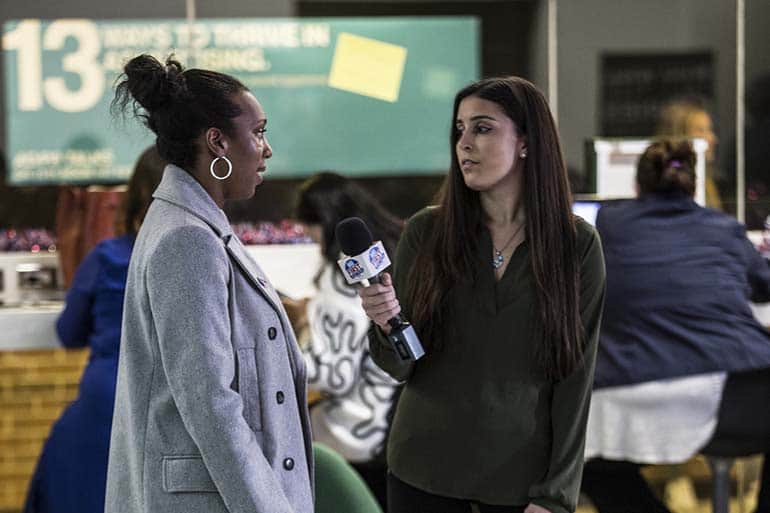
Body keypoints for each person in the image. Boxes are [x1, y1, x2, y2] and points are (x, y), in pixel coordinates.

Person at [358, 76, 607, 513]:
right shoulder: (427, 231)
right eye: (460, 130)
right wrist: (385, 324)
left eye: (483, 128)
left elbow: (575, 378)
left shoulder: (576, 245)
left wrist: (556, 494)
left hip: (520, 479)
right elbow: (399, 366)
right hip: (421, 470)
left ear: (527, 142)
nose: (464, 143)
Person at [105, 54, 314, 513]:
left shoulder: (195, 225)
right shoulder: (187, 239)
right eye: (258, 132)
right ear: (217, 141)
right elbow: (211, 403)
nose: (267, 149)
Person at [581, 140, 770, 513]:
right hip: (731, 396)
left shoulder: (604, 225)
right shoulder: (723, 227)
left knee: (580, 462)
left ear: (637, 187)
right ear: (693, 186)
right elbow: (763, 285)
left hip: (626, 394)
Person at [22, 146, 165, 513]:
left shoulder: (108, 256)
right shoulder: (208, 258)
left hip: (105, 402)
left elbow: (69, 333)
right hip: (171, 407)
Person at [294, 171, 402, 508]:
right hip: (397, 426)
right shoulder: (392, 254)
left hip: (355, 434)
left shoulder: (343, 273)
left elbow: (334, 373)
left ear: (323, 222)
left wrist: (283, 352)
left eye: (310, 232)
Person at [656, 97, 722, 209]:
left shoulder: (707, 182)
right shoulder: (667, 185)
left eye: (710, 130)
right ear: (679, 136)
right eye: (701, 131)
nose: (713, 138)